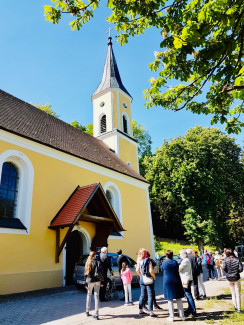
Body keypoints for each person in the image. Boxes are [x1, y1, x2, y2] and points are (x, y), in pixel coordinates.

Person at [161, 250, 185, 322]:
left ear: (166, 255)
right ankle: (182, 316)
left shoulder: (164, 262)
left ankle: (171, 317)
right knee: (179, 299)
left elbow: (162, 269)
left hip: (167, 281)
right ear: (172, 255)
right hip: (176, 280)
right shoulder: (175, 262)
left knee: (170, 299)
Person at [136, 248, 157, 318]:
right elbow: (151, 271)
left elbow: (137, 270)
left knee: (142, 294)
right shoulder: (148, 260)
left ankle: (140, 310)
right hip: (148, 279)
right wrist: (154, 277)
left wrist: (141, 276)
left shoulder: (139, 260)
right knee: (150, 295)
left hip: (142, 279)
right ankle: (151, 312)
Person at [223, 248, 243, 313]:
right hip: (236, 277)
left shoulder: (226, 260)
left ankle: (235, 307)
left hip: (229, 278)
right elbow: (241, 269)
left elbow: (224, 268)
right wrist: (236, 272)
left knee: (233, 293)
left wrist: (229, 273)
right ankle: (239, 309)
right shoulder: (237, 259)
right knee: (238, 294)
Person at [85, 251, 103, 320]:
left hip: (90, 281)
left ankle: (87, 311)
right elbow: (101, 272)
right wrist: (101, 282)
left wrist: (85, 283)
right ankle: (96, 313)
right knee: (96, 296)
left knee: (89, 295)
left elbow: (85, 273)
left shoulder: (88, 262)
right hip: (97, 281)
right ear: (94, 255)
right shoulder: (98, 262)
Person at [179, 249, 196, 317]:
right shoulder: (186, 260)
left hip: (186, 280)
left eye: (180, 254)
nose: (180, 256)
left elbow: (179, 269)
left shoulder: (185, 260)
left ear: (182, 254)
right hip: (188, 279)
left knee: (188, 295)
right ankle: (190, 308)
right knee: (188, 295)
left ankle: (193, 310)